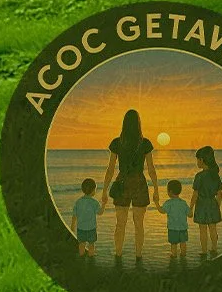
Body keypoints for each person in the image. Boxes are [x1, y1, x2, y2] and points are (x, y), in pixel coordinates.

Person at [101, 108, 158, 264]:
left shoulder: (117, 142)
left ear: (124, 123)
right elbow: (151, 169)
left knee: (121, 223)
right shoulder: (145, 143)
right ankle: (138, 256)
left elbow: (111, 168)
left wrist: (104, 190)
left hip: (122, 183)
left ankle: (118, 255)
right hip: (139, 183)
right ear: (138, 123)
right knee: (139, 224)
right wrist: (156, 189)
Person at [192, 146, 222, 260]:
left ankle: (204, 251)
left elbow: (195, 194)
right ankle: (214, 248)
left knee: (203, 229)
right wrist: (217, 205)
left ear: (202, 160)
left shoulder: (199, 176)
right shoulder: (215, 175)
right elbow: (219, 193)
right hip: (212, 203)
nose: (197, 162)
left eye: (197, 159)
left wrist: (191, 208)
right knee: (213, 228)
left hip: (201, 205)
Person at [163, 180, 190, 265]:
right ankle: (183, 254)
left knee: (173, 243)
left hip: (172, 228)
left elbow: (162, 210)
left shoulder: (168, 203)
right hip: (183, 227)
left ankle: (174, 255)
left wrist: (156, 203)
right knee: (183, 242)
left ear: (170, 192)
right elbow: (190, 214)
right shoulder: (183, 203)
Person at [72, 178, 100, 257]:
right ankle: (91, 257)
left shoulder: (78, 202)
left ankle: (82, 257)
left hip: (81, 228)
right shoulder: (94, 202)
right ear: (93, 190)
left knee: (81, 245)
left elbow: (74, 215)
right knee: (91, 245)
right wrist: (104, 204)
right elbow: (100, 212)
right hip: (91, 228)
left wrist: (72, 226)